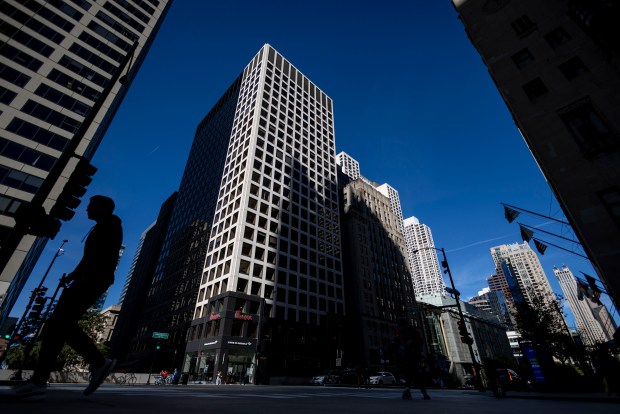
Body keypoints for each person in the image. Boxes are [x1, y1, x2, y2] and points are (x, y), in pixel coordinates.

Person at [6, 195, 123, 401]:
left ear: (104, 208)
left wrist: (82, 277)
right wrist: (73, 276)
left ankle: (97, 362)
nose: (87, 209)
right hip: (88, 279)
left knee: (60, 323)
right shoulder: (103, 227)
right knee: (55, 327)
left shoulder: (111, 226)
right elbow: (90, 258)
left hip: (92, 280)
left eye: (91, 206)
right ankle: (39, 380)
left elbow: (99, 258)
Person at [392, 317, 431, 400]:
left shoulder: (403, 331)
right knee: (415, 374)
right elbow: (420, 341)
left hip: (409, 356)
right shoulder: (410, 330)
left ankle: (409, 391)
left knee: (411, 374)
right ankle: (423, 393)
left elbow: (397, 343)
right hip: (411, 356)